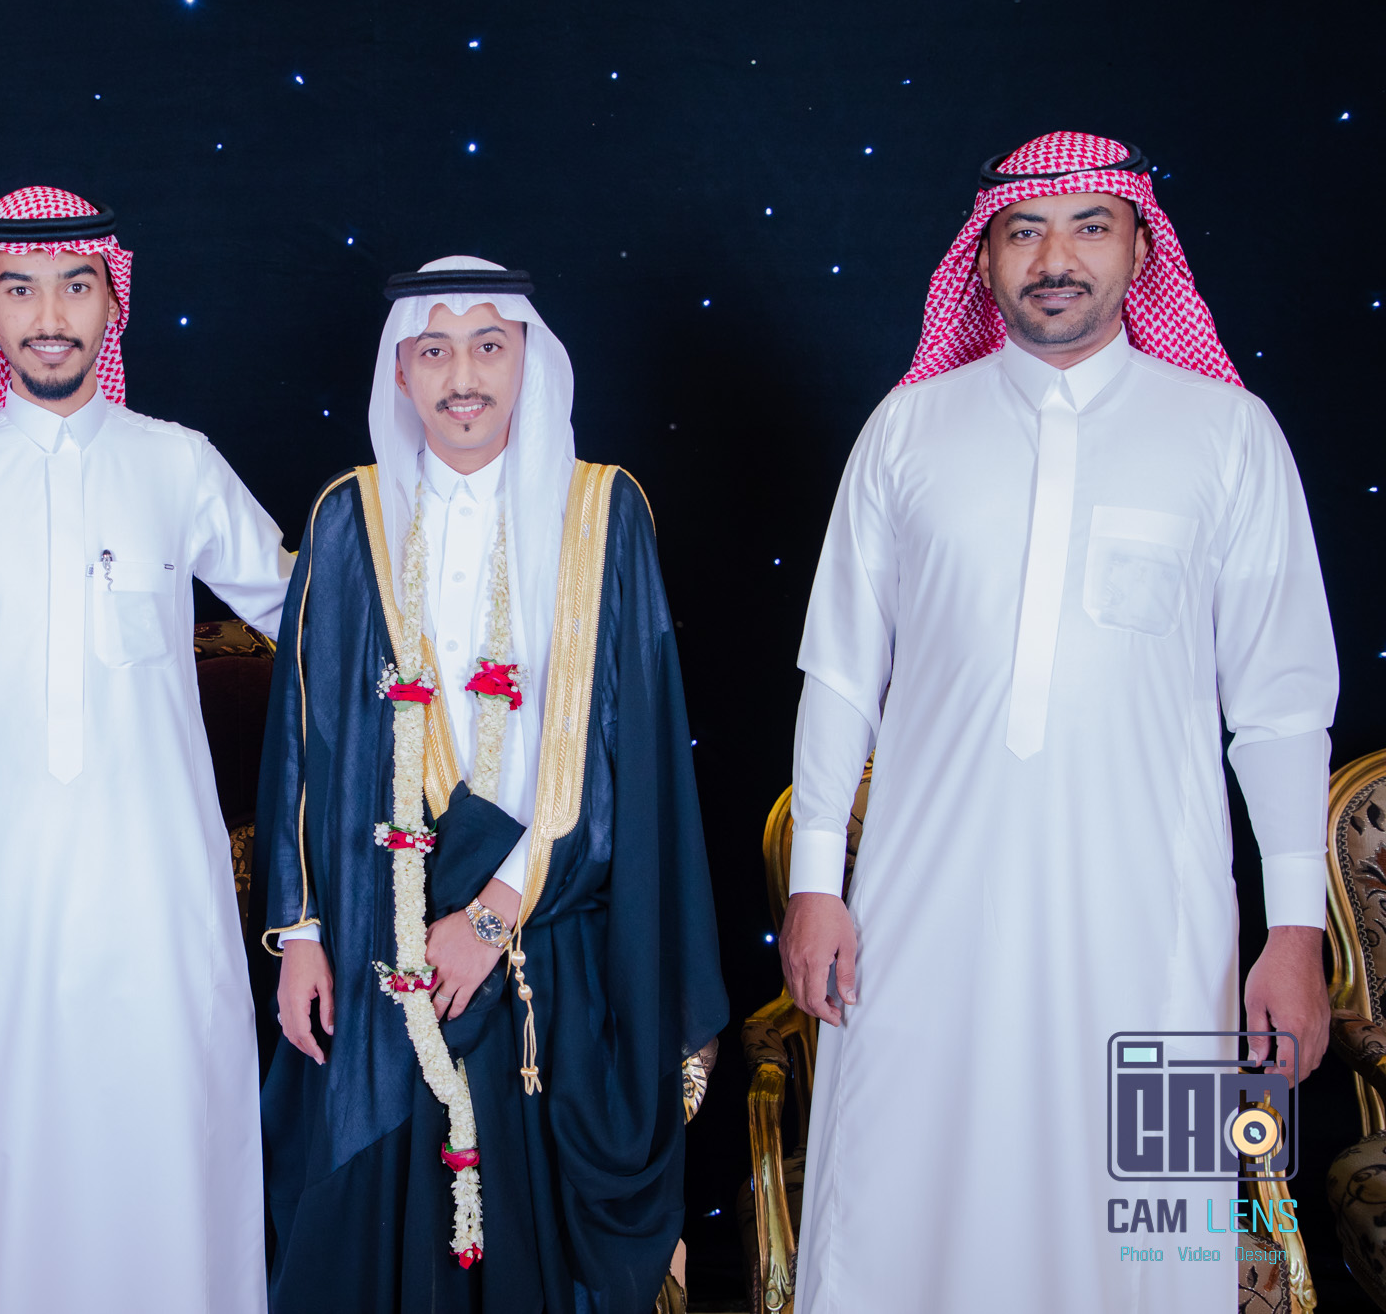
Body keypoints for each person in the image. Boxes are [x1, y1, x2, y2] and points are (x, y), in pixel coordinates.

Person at [781, 132, 1339, 1312]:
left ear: (1139, 249)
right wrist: (815, 885)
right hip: (923, 915)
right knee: (897, 1212)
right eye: (1023, 231)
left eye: (1089, 227)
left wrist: (1292, 931)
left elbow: (1281, 703)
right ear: (981, 258)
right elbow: (837, 674)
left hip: (1154, 921)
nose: (1054, 259)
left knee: (1146, 1231)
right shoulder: (905, 432)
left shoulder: (1228, 435)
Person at [0, 186, 289, 1312]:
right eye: (20, 289)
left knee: (165, 1177)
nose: (50, 316)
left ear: (111, 304)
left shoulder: (177, 463)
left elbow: (316, 620)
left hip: (159, 911)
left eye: (75, 286)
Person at [257, 256, 727, 1313]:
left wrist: (491, 913)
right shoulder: (349, 517)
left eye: (486, 347)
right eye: (433, 351)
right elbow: (301, 740)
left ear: (527, 361)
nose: (461, 377)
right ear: (400, 373)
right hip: (378, 947)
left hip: (546, 938)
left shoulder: (601, 513)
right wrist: (301, 935)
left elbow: (627, 747)